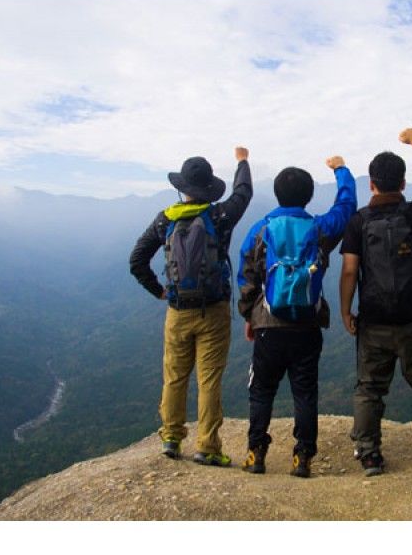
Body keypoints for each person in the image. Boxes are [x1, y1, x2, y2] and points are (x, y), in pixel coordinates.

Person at [339, 128, 412, 477]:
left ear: (371, 184)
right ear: (403, 185)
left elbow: (349, 272)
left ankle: (369, 453)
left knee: (369, 387)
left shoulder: (358, 221)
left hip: (373, 319)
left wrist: (347, 310)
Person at [129, 147, 252, 465]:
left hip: (178, 310)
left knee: (174, 375)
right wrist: (242, 161)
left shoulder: (164, 220)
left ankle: (171, 437)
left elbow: (137, 260)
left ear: (181, 187)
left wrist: (159, 291)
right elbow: (244, 193)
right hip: (213, 310)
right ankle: (208, 447)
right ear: (208, 188)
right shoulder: (219, 216)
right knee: (209, 379)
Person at [237, 156, 356, 478]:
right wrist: (341, 170)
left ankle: (255, 453)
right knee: (305, 392)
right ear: (308, 195)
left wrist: (250, 315)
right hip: (307, 325)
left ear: (277, 194)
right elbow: (346, 208)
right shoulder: (319, 229)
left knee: (262, 390)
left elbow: (247, 277)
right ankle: (302, 458)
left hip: (268, 326)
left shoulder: (261, 229)